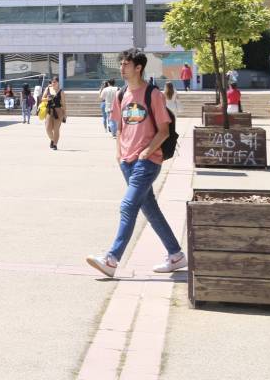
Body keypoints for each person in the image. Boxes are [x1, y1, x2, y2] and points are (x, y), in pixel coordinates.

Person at [86, 49, 187, 278]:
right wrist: (119, 154)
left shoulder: (153, 94)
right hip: (127, 161)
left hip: (148, 160)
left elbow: (163, 131)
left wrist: (146, 152)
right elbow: (120, 127)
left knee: (128, 206)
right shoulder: (122, 94)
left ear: (138, 68)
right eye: (121, 64)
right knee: (150, 210)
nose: (121, 68)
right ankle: (176, 255)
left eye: (125, 64)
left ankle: (111, 259)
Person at [43, 76, 66, 150]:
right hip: (49, 111)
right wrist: (47, 98)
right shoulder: (48, 89)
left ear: (58, 82)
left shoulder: (61, 91)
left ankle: (55, 144)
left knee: (56, 129)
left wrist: (65, 114)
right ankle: (52, 140)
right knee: (48, 129)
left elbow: (63, 103)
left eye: (55, 82)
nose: (53, 83)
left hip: (58, 111)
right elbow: (42, 99)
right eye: (52, 82)